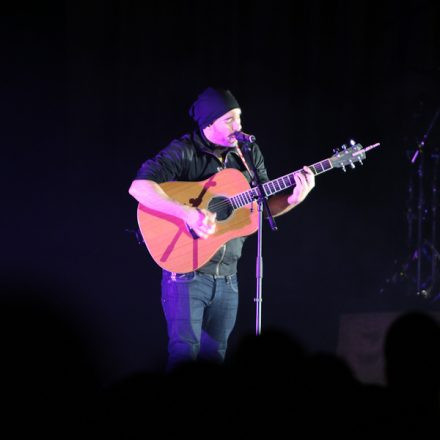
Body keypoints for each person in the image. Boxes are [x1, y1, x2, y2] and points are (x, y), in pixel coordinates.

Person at [128, 87, 315, 370]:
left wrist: (292, 199)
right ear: (208, 124)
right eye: (229, 119)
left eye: (239, 117)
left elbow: (261, 206)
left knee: (216, 360)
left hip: (228, 277)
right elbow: (139, 187)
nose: (238, 126)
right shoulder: (185, 151)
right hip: (186, 274)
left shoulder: (248, 154)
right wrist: (187, 213)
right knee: (183, 357)